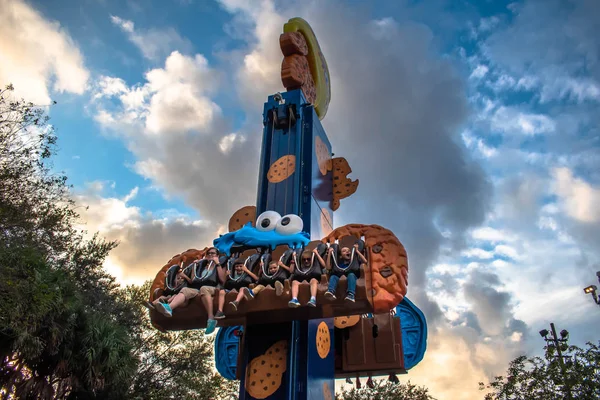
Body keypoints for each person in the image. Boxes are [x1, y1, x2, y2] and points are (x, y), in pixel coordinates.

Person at [154, 247, 225, 335]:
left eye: (213, 253)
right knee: (185, 290)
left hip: (212, 288)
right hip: (197, 289)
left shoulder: (219, 265)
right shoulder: (201, 266)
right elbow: (192, 281)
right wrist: (194, 267)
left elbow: (222, 280)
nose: (210, 255)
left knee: (204, 289)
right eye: (208, 253)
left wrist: (217, 263)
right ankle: (169, 308)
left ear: (217, 255)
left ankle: (211, 319)